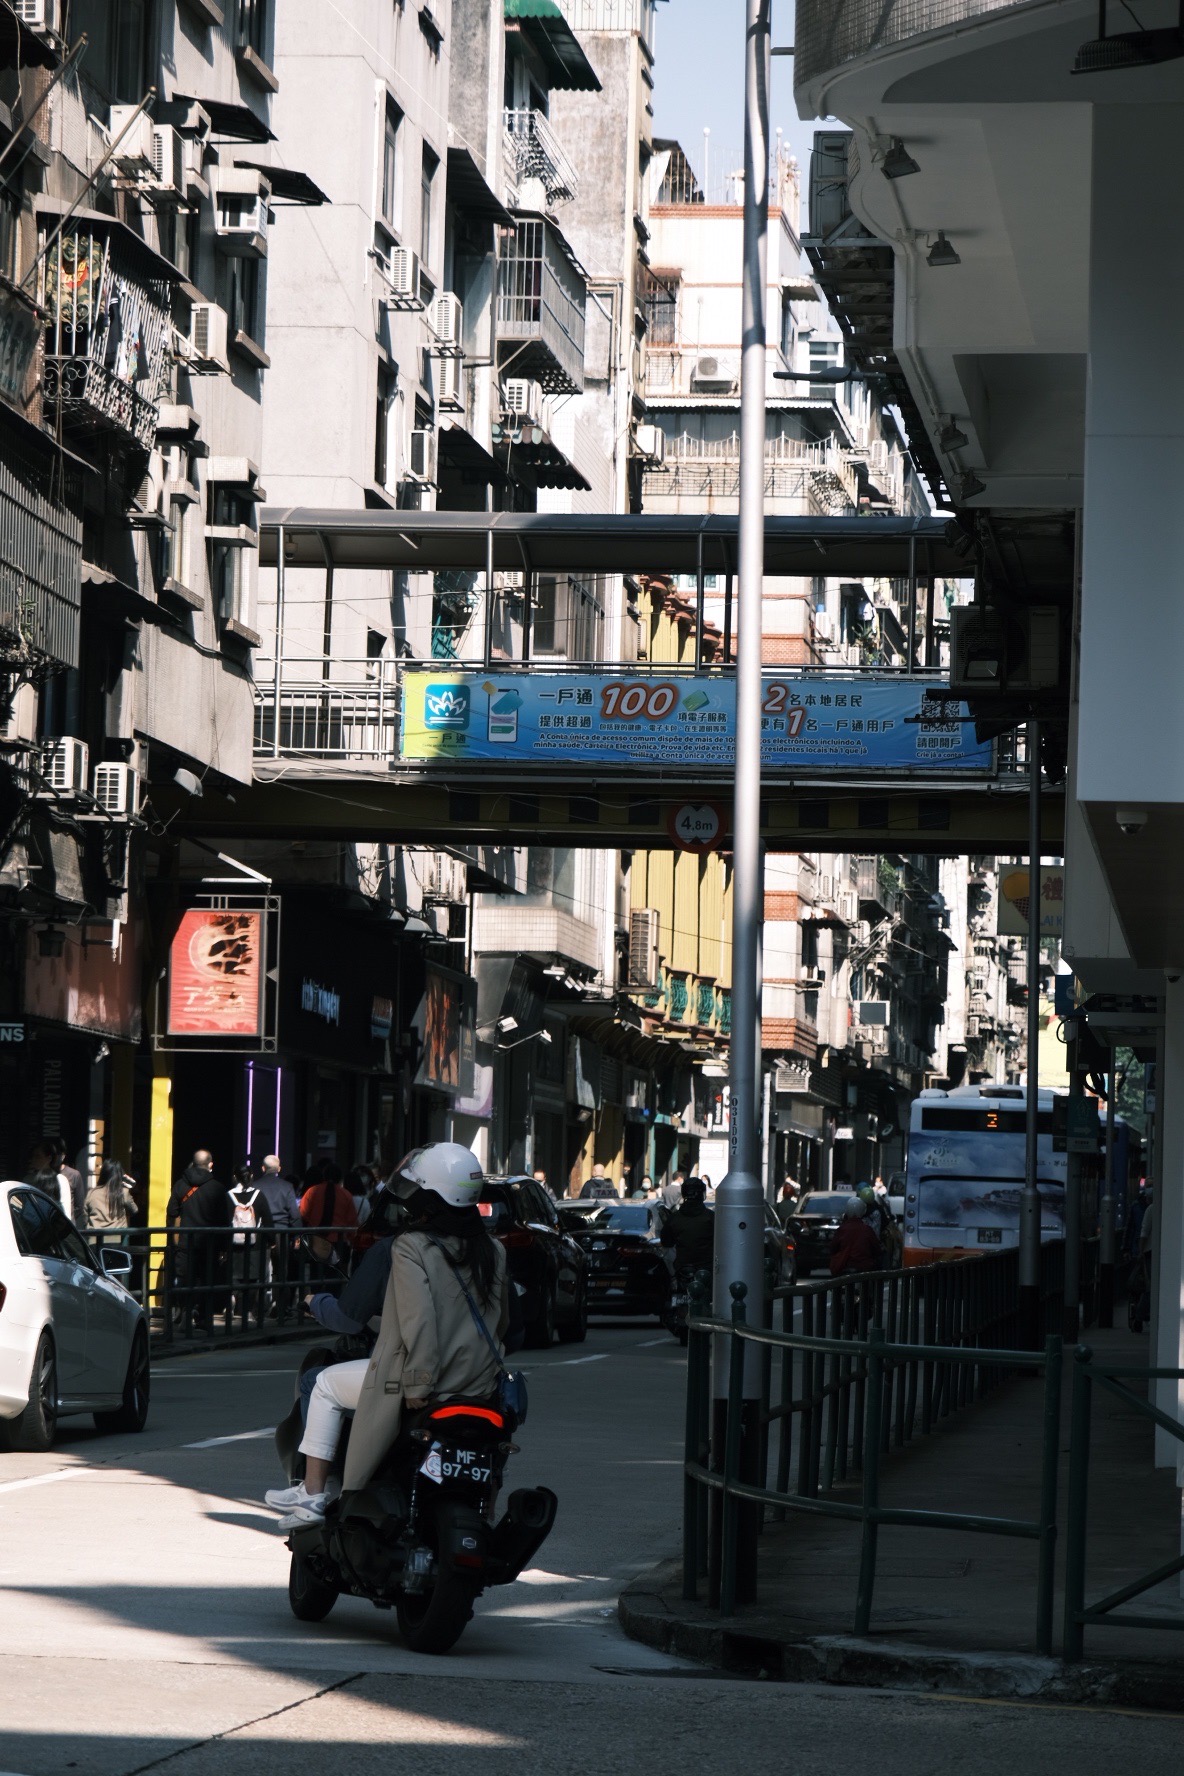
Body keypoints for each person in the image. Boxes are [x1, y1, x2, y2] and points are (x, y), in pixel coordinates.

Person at [264, 1141, 509, 1528]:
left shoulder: (411, 1246)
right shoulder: (493, 1248)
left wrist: (418, 1383)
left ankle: (311, 1495)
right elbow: (501, 1322)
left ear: (426, 1195)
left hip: (418, 1378)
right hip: (479, 1383)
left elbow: (419, 1321)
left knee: (324, 1384)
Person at [167, 1150, 232, 1331]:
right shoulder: (218, 1188)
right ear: (210, 1165)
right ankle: (204, 1318)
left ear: (193, 1163)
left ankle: (186, 1314)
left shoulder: (180, 1185)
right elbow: (224, 1221)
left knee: (185, 1280)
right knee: (207, 1281)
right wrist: (224, 1247)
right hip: (209, 1245)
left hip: (185, 1243)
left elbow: (172, 1212)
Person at [254, 1155, 303, 1318]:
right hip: (282, 1232)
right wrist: (297, 1234)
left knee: (260, 1271)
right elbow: (294, 1214)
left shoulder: (256, 1186)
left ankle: (258, 1307)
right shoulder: (287, 1186)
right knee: (281, 1271)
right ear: (279, 1169)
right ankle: (280, 1306)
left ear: (263, 1168)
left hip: (260, 1233)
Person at [299, 1161, 359, 1280]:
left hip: (316, 1240)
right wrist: (352, 1240)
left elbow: (303, 1214)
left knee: (315, 1277)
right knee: (335, 1279)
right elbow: (352, 1221)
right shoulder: (346, 1195)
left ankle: (316, 1296)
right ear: (340, 1178)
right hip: (338, 1242)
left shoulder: (312, 1191)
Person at [229, 1164, 273, 1325]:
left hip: (234, 1244)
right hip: (256, 1244)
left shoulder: (229, 1196)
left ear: (235, 1177)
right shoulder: (259, 1196)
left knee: (235, 1276)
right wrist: (272, 1241)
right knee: (253, 1279)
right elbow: (268, 1220)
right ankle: (247, 1311)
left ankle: (232, 1299)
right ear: (252, 1176)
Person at [660, 1176, 715, 1273]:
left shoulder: (674, 1218)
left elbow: (666, 1242)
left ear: (683, 1193)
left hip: (683, 1269)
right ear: (702, 1193)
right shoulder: (711, 1217)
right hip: (707, 1270)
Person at [829, 1196, 883, 1276]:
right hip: (864, 1267)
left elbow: (833, 1248)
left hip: (843, 1266)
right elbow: (877, 1249)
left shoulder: (842, 1229)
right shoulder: (867, 1229)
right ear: (863, 1211)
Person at [83, 1158, 137, 1231]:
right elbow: (134, 1210)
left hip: (95, 1237)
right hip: (118, 1237)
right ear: (120, 1175)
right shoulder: (123, 1192)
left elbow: (84, 1217)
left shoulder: (92, 1193)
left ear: (103, 1173)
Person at [53, 1138, 86, 1224]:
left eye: (58, 1154)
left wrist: (69, 1216)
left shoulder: (74, 1175)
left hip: (67, 1223)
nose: (55, 1157)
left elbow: (79, 1205)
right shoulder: (45, 1174)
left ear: (63, 1155)